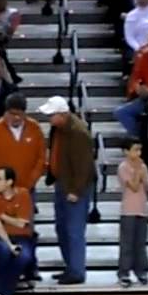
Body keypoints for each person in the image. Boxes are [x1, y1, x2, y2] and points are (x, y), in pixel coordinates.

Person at [42, 95, 94, 285]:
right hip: (61, 183)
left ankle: (77, 271)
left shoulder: (78, 132)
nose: (49, 119)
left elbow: (84, 165)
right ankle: (70, 266)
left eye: (51, 115)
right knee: (62, 228)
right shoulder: (58, 129)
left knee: (74, 230)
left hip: (74, 187)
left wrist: (76, 190)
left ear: (62, 114)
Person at [0, 167, 36, 295]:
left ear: (9, 182)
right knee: (4, 251)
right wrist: (10, 245)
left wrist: (2, 215)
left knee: (24, 256)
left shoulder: (23, 194)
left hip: (23, 237)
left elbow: (22, 223)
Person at [0, 93, 46, 195]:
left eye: (19, 114)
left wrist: (30, 182)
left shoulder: (34, 128)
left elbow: (41, 158)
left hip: (26, 190)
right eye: (12, 114)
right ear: (5, 112)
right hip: (0, 190)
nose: (16, 118)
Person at [117, 143, 148, 287]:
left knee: (140, 243)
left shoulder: (143, 167)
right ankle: (124, 273)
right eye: (135, 150)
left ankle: (141, 271)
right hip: (128, 210)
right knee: (127, 244)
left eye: (140, 149)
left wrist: (143, 174)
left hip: (142, 209)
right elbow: (134, 186)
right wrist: (137, 172)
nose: (138, 153)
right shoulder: (123, 167)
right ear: (126, 151)